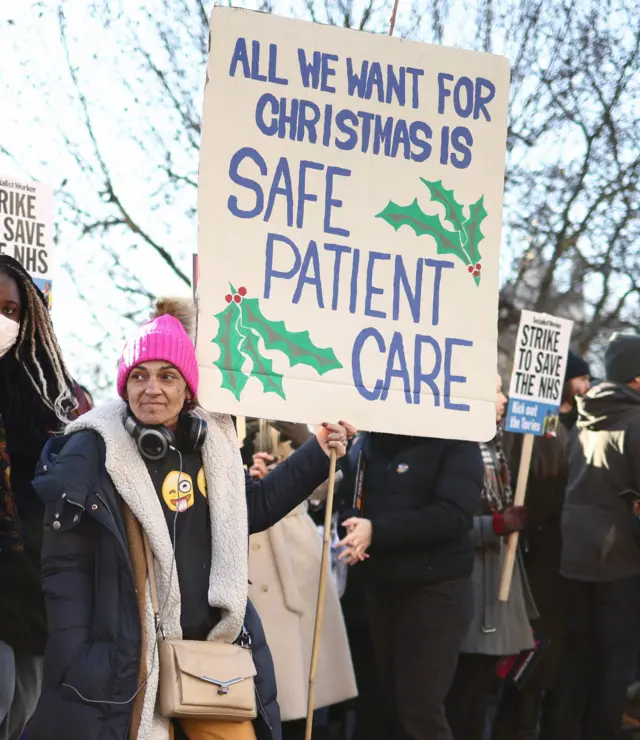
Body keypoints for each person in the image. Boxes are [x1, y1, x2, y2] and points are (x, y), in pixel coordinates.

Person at [28, 297, 355, 740]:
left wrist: (317, 450)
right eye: (139, 376)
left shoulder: (209, 449)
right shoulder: (90, 454)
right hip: (126, 657)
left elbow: (252, 508)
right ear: (124, 387)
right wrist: (77, 656)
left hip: (209, 655)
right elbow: (63, 568)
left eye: (167, 376)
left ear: (188, 389)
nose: (152, 389)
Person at [337, 421, 484, 740]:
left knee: (419, 710)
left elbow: (453, 515)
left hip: (436, 590)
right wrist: (351, 530)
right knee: (391, 706)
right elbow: (349, 500)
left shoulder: (457, 440)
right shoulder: (369, 441)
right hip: (382, 588)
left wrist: (376, 531)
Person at [0, 256, 89, 740]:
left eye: (12, 311)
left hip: (32, 586)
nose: (3, 321)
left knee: (24, 709)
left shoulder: (54, 399)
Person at [555, 332, 640, 740]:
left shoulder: (584, 421)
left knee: (575, 663)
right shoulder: (636, 423)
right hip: (619, 563)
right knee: (612, 668)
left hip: (575, 560)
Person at [247, 424, 357, 740]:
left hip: (295, 557)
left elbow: (331, 482)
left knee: (295, 685)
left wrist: (298, 440)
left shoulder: (295, 417)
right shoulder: (216, 414)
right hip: (246, 553)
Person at [444, 375, 537, 740]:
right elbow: (444, 522)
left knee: (480, 693)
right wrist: (495, 525)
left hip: (494, 589)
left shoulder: (498, 446)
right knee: (461, 694)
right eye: (496, 391)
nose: (504, 400)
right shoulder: (456, 446)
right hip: (466, 590)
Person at [492, 425, 569, 740]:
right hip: (547, 581)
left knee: (499, 688)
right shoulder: (561, 452)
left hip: (517, 574)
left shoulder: (506, 455)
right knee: (528, 690)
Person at [559, 350, 591, 431]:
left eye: (588, 380)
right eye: (583, 379)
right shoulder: (548, 415)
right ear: (566, 381)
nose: (588, 385)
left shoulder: (588, 417)